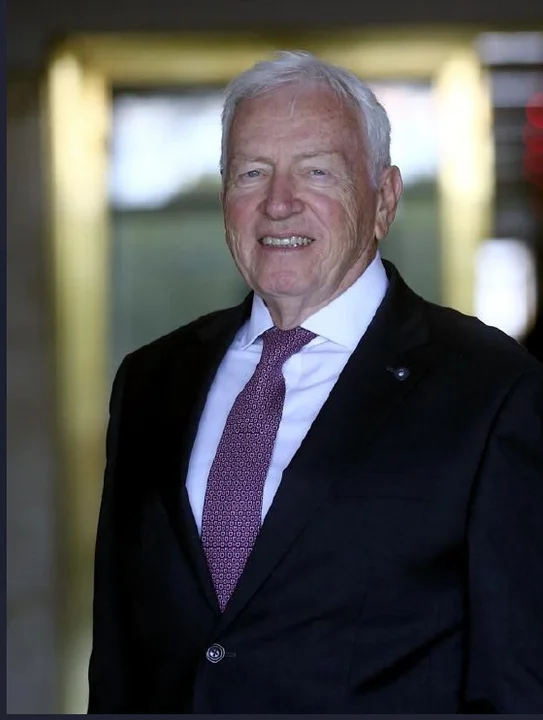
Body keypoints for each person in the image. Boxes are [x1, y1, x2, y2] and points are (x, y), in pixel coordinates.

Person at [88, 51, 543, 713]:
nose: (278, 203)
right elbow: (118, 655)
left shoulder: (492, 391)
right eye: (251, 172)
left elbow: (520, 681)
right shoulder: (151, 382)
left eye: (316, 171)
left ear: (384, 198)